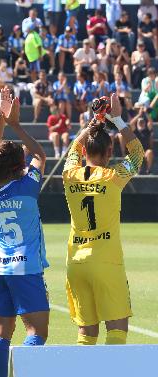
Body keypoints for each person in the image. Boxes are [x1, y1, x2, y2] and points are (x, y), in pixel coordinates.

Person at [0, 87, 49, 377]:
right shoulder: (28, 186)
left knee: (1, 333)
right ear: (19, 165)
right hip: (26, 267)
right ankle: (25, 375)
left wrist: (1, 122)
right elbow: (41, 154)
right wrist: (15, 123)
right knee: (37, 333)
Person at [62, 93, 144, 346]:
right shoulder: (113, 177)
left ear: (87, 149)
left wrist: (92, 123)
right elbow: (137, 154)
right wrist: (117, 120)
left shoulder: (70, 175)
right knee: (117, 333)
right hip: (106, 262)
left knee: (86, 337)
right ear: (110, 151)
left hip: (76, 263)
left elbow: (74, 149)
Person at [130, 108, 154, 174]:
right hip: (137, 151)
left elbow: (151, 122)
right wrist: (139, 114)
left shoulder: (147, 130)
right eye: (140, 121)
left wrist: (145, 113)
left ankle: (148, 171)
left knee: (150, 152)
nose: (141, 122)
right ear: (137, 123)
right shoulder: (135, 131)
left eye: (142, 122)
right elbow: (131, 123)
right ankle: (137, 171)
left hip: (146, 151)